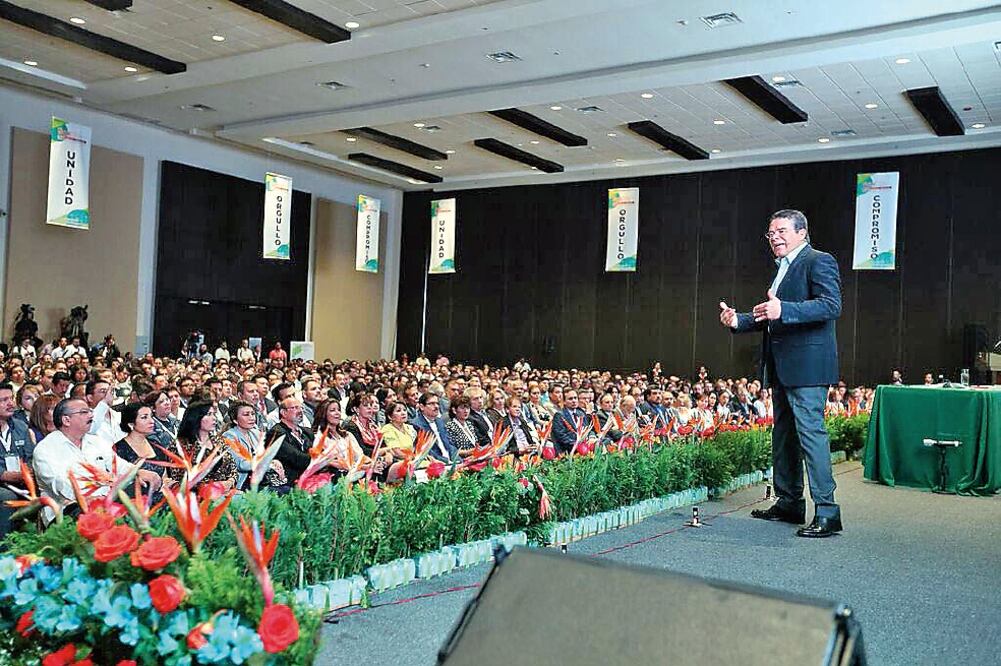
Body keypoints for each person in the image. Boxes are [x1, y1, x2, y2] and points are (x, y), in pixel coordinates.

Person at [719, 208, 843, 538]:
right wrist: (739, 321)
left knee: (811, 436)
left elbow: (831, 305)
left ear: (802, 232)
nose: (774, 237)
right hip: (783, 366)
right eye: (770, 233)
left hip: (808, 367)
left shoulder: (818, 260)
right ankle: (789, 502)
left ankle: (828, 512)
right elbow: (769, 314)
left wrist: (783, 308)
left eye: (781, 231)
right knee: (784, 437)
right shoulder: (783, 269)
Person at [34, 398, 159, 522]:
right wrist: (91, 497)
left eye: (90, 411)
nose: (91, 414)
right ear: (66, 420)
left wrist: (137, 472)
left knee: (144, 484)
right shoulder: (46, 448)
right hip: (69, 509)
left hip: (108, 500)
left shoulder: (96, 441)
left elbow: (119, 465)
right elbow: (61, 484)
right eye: (84, 412)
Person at [167, 401, 237, 489]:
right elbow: (180, 479)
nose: (214, 418)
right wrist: (212, 487)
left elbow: (233, 467)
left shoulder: (218, 441)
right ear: (196, 417)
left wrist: (230, 482)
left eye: (214, 414)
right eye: (209, 414)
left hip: (225, 492)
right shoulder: (180, 445)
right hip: (196, 497)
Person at [219, 401, 285, 491]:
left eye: (253, 414)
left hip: (261, 478)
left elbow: (264, 456)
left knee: (287, 489)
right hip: (244, 482)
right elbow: (241, 464)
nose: (251, 418)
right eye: (246, 415)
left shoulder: (255, 433)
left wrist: (274, 462)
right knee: (281, 492)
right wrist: (269, 465)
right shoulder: (229, 436)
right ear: (235, 420)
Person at [0, 383, 35, 538]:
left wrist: (26, 473)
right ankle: (5, 549)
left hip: (22, 482)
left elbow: (30, 457)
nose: (11, 403)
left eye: (11, 398)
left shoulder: (21, 426)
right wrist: (7, 475)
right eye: (4, 400)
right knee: (7, 497)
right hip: (3, 484)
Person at [113, 403, 169, 493]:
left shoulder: (156, 445)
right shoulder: (119, 449)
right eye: (144, 417)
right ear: (131, 424)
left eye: (151, 416)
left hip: (163, 498)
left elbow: (165, 478)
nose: (151, 421)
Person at [266, 396, 312, 484]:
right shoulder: (276, 433)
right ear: (283, 412)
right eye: (294, 408)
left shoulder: (307, 432)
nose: (300, 411)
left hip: (309, 478)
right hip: (289, 482)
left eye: (301, 407)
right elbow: (296, 458)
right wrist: (323, 460)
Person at [411, 392, 458, 462]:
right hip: (436, 463)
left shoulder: (440, 421)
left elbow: (450, 444)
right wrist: (446, 462)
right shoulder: (416, 425)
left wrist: (457, 460)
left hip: (452, 461)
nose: (436, 406)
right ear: (422, 407)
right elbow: (427, 451)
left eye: (437, 403)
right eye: (432, 403)